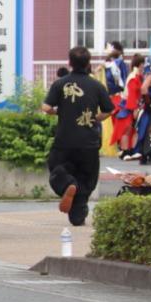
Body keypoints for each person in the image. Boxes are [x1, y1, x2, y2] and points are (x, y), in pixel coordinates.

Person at [42, 46, 115, 227]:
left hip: (64, 141)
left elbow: (45, 107)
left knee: (57, 169)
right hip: (89, 142)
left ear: (70, 63)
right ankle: (77, 217)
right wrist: (97, 118)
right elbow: (109, 110)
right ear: (88, 63)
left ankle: (67, 184)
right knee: (87, 179)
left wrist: (57, 112)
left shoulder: (61, 84)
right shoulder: (97, 86)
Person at [114, 55, 147, 160]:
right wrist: (134, 109)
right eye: (142, 65)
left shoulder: (137, 76)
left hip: (132, 105)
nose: (143, 67)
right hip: (128, 106)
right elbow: (132, 95)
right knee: (126, 129)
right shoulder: (133, 77)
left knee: (131, 129)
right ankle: (125, 151)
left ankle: (129, 149)